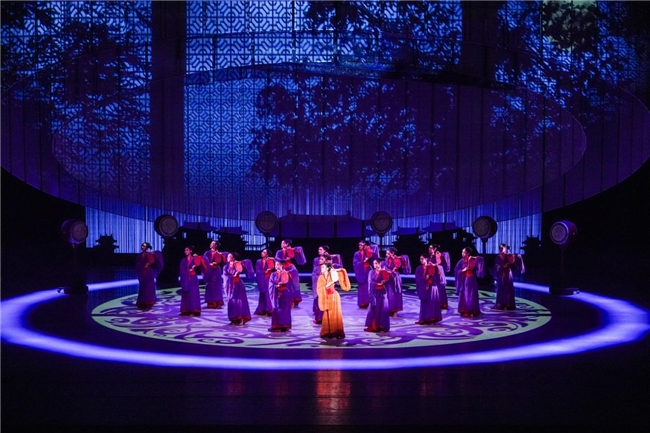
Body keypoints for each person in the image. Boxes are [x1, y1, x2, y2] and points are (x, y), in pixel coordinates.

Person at [316, 262, 351, 339]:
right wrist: (326, 286)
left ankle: (336, 331)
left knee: (334, 314)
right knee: (326, 314)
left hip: (333, 296)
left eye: (323, 267)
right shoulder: (320, 277)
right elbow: (318, 289)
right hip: (325, 297)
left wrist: (336, 270)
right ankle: (328, 332)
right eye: (321, 267)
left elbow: (340, 272)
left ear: (327, 268)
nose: (321, 269)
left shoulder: (332, 274)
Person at [311, 245, 343, 324]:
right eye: (320, 259)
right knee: (319, 301)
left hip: (328, 287)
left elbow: (339, 268)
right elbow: (314, 275)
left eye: (322, 259)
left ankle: (328, 318)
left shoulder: (330, 267)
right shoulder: (317, 266)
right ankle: (319, 318)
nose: (319, 260)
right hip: (320, 287)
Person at [275, 239, 306, 307]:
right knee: (283, 284)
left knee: (293, 285)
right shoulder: (279, 252)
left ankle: (293, 300)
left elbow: (299, 249)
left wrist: (294, 249)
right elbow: (276, 258)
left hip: (291, 269)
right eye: (281, 243)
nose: (281, 244)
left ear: (287, 244)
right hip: (282, 268)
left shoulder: (291, 250)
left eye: (283, 243)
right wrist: (284, 260)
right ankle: (284, 300)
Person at [493, 243, 525, 310]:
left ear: (505, 249)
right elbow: (496, 266)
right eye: (500, 248)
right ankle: (501, 303)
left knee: (508, 288)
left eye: (502, 248)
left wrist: (512, 257)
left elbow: (517, 257)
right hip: (501, 274)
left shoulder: (509, 255)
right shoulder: (498, 257)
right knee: (501, 288)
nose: (501, 249)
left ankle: (509, 304)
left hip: (508, 274)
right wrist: (502, 267)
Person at [224, 252, 252, 325]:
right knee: (231, 301)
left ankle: (241, 318)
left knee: (239, 301)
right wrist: (231, 276)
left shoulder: (237, 264)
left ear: (233, 258)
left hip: (238, 285)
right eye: (228, 256)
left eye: (229, 256)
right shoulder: (226, 266)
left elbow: (240, 269)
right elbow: (225, 275)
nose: (227, 257)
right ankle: (233, 318)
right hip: (230, 285)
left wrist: (236, 271)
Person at [414, 254, 443, 325]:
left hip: (432, 287)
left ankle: (431, 318)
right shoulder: (419, 268)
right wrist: (425, 278)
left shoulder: (431, 267)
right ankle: (423, 318)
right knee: (424, 302)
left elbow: (437, 277)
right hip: (424, 287)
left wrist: (435, 267)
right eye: (420, 259)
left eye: (422, 259)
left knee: (431, 303)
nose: (421, 260)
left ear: (426, 259)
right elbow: (417, 278)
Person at [454, 246, 482, 318]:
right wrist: (462, 271)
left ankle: (472, 310)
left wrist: (474, 258)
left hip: (471, 280)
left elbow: (481, 260)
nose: (462, 253)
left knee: (471, 295)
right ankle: (465, 310)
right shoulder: (461, 261)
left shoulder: (473, 260)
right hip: (464, 280)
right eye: (462, 252)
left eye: (464, 252)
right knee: (465, 295)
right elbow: (456, 270)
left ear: (468, 253)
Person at [364, 258, 391, 332]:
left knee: (382, 309)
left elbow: (386, 281)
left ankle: (381, 325)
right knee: (373, 309)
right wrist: (377, 284)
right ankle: (373, 325)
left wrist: (383, 282)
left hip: (382, 293)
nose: (374, 265)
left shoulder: (384, 272)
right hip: (374, 293)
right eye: (374, 263)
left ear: (380, 263)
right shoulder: (371, 272)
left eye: (376, 263)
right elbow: (370, 281)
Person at [179, 245, 206, 317]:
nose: (185, 251)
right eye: (185, 250)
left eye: (187, 250)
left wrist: (197, 258)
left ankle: (194, 310)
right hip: (186, 278)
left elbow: (201, 263)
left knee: (193, 294)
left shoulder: (194, 259)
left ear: (191, 251)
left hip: (193, 278)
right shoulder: (183, 260)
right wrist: (188, 271)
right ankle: (186, 310)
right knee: (186, 294)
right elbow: (182, 270)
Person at [267, 259, 293, 332]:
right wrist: (276, 286)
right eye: (275, 264)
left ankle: (285, 325)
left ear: (282, 265)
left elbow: (290, 284)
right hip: (275, 293)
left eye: (278, 264)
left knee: (284, 309)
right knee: (276, 309)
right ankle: (276, 326)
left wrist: (283, 285)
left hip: (284, 294)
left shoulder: (286, 274)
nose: (276, 266)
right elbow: (271, 284)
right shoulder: (273, 274)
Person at [135, 242, 162, 310]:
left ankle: (148, 302)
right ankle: (142, 302)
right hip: (142, 272)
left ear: (147, 247)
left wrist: (148, 264)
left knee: (148, 287)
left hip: (149, 273)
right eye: (142, 245)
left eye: (144, 246)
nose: (142, 247)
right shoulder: (139, 255)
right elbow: (138, 263)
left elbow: (152, 262)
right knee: (142, 287)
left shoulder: (149, 254)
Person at [384, 246, 410, 317]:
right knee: (388, 294)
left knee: (395, 293)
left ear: (392, 253)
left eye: (388, 253)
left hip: (395, 278)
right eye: (386, 253)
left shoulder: (397, 259)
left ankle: (394, 310)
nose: (386, 255)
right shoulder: (386, 260)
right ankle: (389, 309)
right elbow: (384, 267)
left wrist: (397, 259)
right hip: (388, 278)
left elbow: (404, 258)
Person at [203, 240, 226, 309]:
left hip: (216, 271)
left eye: (212, 243)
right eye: (211, 243)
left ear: (216, 245)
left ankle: (217, 302)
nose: (211, 244)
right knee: (210, 286)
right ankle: (210, 302)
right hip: (209, 270)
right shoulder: (207, 253)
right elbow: (204, 261)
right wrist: (209, 264)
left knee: (217, 286)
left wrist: (217, 262)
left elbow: (223, 261)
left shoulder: (219, 253)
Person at [352, 240, 375, 308]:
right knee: (361, 287)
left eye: (361, 245)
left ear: (365, 245)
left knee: (367, 286)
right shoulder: (356, 254)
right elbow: (355, 263)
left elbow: (371, 254)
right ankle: (362, 302)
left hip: (367, 271)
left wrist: (367, 249)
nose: (360, 246)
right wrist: (362, 262)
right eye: (359, 245)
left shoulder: (367, 252)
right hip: (361, 271)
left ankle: (368, 301)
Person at [428, 243, 450, 309]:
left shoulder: (438, 255)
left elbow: (439, 263)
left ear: (434, 249)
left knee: (439, 288)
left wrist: (433, 265)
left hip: (438, 274)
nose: (429, 249)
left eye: (431, 248)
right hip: (432, 274)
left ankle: (441, 303)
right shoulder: (430, 257)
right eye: (429, 248)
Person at [253, 248, 275, 316]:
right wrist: (264, 272)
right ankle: (262, 309)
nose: (262, 253)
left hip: (269, 279)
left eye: (264, 252)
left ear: (267, 255)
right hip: (262, 279)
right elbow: (257, 271)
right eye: (262, 252)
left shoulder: (271, 260)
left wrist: (272, 258)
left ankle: (269, 309)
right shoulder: (258, 261)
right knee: (262, 294)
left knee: (268, 294)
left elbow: (278, 263)